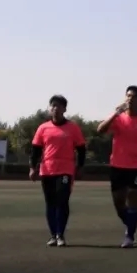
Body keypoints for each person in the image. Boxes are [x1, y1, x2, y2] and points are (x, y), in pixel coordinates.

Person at [96, 85, 137, 248]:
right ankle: (130, 223)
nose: (130, 99)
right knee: (118, 202)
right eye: (128, 96)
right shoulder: (118, 119)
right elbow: (100, 130)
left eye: (134, 96)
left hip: (136, 166)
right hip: (117, 165)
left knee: (133, 196)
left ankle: (129, 235)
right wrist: (115, 113)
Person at [30, 95, 87, 246]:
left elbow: (81, 149)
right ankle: (53, 235)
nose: (55, 108)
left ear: (64, 109)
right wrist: (32, 168)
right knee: (50, 203)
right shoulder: (43, 128)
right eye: (53, 105)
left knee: (62, 200)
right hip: (47, 170)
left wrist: (80, 167)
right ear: (50, 108)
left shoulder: (73, 128)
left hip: (65, 170)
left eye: (59, 106)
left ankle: (60, 234)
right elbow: (35, 150)